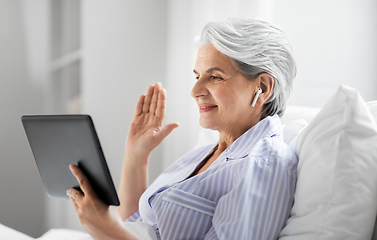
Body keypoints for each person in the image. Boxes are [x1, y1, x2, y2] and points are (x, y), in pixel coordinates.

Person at [66, 18, 298, 240]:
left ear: (263, 87)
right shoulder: (210, 153)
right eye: (197, 76)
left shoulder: (262, 164)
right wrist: (136, 154)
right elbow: (138, 226)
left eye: (215, 77)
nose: (195, 90)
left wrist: (108, 232)